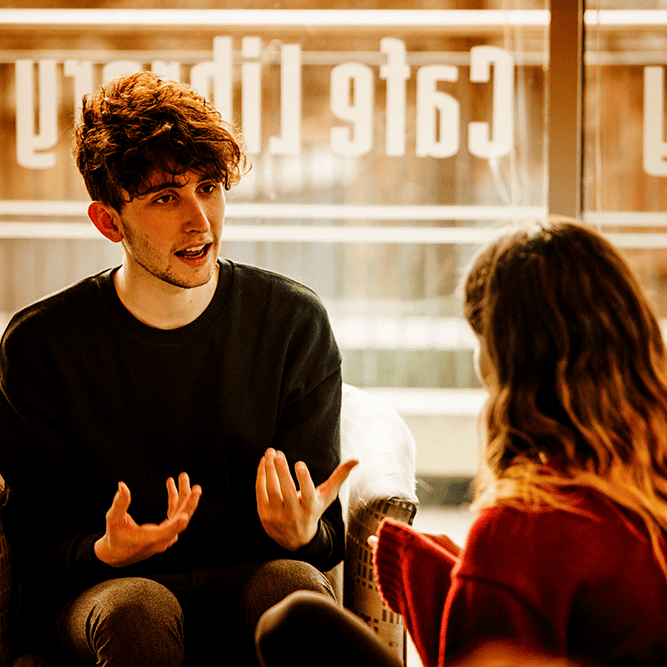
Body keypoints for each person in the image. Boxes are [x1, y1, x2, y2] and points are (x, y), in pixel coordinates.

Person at [0, 70, 357, 666]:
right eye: (166, 197)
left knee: (293, 591)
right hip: (105, 596)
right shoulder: (41, 345)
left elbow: (326, 536)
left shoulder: (292, 322)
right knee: (138, 607)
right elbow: (31, 549)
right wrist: (104, 552)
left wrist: (302, 535)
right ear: (109, 221)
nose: (200, 220)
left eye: (210, 187)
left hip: (246, 578)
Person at [254, 218, 667, 667]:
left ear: (507, 359)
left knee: (296, 623)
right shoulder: (643, 484)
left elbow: (483, 652)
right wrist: (433, 565)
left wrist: (465, 572)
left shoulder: (524, 526)